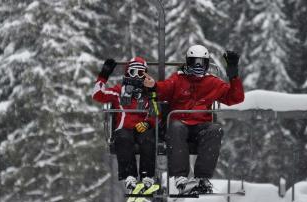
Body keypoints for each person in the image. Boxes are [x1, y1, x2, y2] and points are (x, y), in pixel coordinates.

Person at [143, 45, 245, 194]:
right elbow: (163, 89)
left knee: (214, 130)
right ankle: (181, 177)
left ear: (207, 64)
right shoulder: (178, 79)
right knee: (176, 127)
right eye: (194, 62)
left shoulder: (212, 82)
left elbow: (235, 97)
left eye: (201, 63)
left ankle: (201, 178)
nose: (198, 66)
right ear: (187, 62)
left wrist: (233, 73)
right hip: (179, 123)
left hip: (200, 126)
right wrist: (153, 86)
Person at [92, 56, 156, 193]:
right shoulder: (118, 92)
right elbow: (97, 94)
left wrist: (148, 123)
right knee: (123, 138)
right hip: (124, 128)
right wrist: (104, 75)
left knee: (148, 139)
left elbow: (156, 112)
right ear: (127, 73)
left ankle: (147, 176)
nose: (136, 76)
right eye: (133, 72)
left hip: (142, 126)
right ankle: (130, 176)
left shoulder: (148, 93)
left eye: (140, 73)